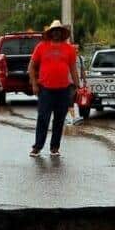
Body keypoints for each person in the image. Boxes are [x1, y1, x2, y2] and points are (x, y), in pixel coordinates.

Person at [28, 20, 78, 157]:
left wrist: (77, 86)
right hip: (45, 90)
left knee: (59, 120)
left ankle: (54, 147)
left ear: (62, 33)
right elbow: (31, 67)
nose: (56, 33)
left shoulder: (69, 49)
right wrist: (34, 84)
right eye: (54, 31)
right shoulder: (41, 47)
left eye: (59, 31)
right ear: (50, 33)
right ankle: (37, 147)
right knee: (43, 118)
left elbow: (73, 69)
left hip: (63, 90)